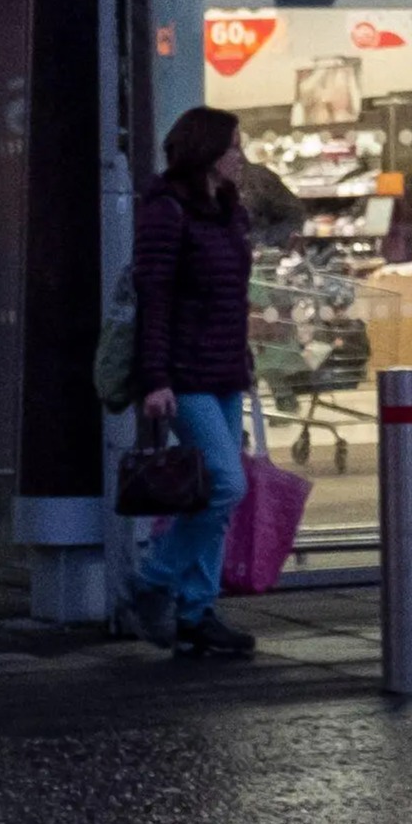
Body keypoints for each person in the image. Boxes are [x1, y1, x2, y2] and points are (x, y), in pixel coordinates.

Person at [120, 105, 262, 659]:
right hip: (184, 373)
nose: (241, 157)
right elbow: (153, 297)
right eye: (234, 146)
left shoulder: (227, 210)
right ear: (207, 151)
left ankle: (197, 612)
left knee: (211, 493)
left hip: (223, 369)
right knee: (228, 484)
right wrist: (154, 377)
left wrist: (243, 363)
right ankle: (151, 583)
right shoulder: (167, 210)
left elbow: (232, 296)